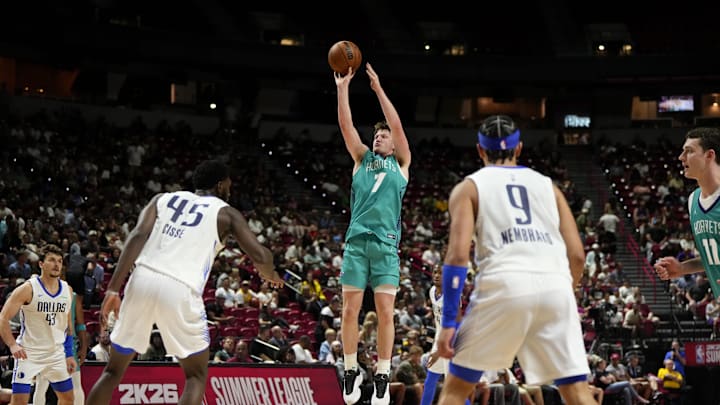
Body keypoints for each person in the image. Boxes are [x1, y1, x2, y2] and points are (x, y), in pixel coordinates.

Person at [85, 159, 283, 405]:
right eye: (229, 184)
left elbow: (137, 236)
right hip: (180, 289)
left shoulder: (162, 199)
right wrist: (270, 273)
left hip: (141, 281)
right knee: (196, 375)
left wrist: (113, 289)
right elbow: (261, 256)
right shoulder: (226, 213)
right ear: (221, 185)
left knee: (112, 371)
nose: (230, 189)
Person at [435, 115, 595, 405]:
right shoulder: (549, 186)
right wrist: (561, 294)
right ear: (519, 148)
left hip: (504, 283)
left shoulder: (469, 187)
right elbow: (577, 256)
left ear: (480, 150)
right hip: (556, 285)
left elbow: (457, 256)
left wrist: (448, 323)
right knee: (576, 392)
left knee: (456, 390)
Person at [334, 62, 411, 405]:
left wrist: (378, 89)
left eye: (384, 135)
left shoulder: (402, 164)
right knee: (349, 311)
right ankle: (351, 369)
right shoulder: (361, 158)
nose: (379, 136)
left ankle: (381, 374)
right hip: (357, 243)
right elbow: (346, 125)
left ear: (394, 145)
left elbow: (395, 123)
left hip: (386, 247)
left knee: (384, 314)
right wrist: (343, 88)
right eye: (376, 134)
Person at [0, 244, 77, 405]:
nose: (57, 265)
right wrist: (13, 345)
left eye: (60, 261)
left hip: (56, 354)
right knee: (19, 402)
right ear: (41, 264)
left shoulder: (67, 290)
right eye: (51, 260)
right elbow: (3, 318)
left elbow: (68, 326)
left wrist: (69, 353)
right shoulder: (28, 289)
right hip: (29, 354)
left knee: (68, 399)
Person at [654, 127, 720, 302]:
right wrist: (682, 269)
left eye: (689, 151)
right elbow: (712, 258)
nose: (681, 157)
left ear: (709, 155)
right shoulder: (693, 200)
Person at [34, 268, 88, 405]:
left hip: (67, 343)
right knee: (42, 385)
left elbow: (80, 325)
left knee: (75, 383)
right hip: (47, 343)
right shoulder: (41, 295)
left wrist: (84, 347)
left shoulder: (73, 296)